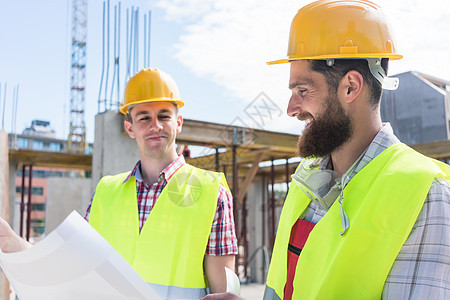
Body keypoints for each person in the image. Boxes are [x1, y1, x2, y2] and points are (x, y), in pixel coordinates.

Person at [202, 1, 450, 300]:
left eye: (302, 91)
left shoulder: (425, 195)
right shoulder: (305, 181)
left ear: (350, 87)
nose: (292, 109)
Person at [0, 68, 238, 300]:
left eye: (164, 115)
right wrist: (16, 245)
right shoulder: (106, 192)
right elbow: (71, 264)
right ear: (129, 128)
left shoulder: (211, 192)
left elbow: (223, 292)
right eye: (144, 118)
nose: (155, 125)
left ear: (179, 122)